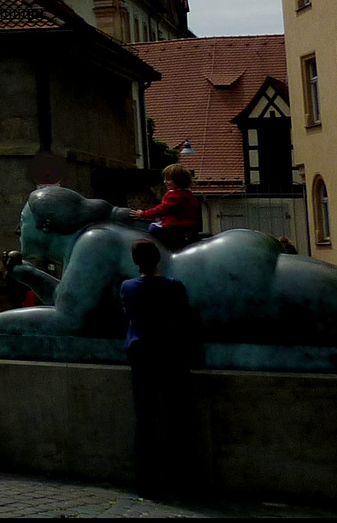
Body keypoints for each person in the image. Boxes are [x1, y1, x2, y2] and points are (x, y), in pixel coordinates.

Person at [119, 238, 201, 498]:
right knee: (179, 417)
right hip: (171, 356)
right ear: (159, 260)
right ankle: (183, 478)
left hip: (141, 356)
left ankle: (146, 481)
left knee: (144, 418)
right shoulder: (173, 286)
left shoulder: (128, 288)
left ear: (136, 262)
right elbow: (186, 319)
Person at [131, 163, 200, 250]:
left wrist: (143, 214)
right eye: (165, 179)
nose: (165, 182)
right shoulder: (187, 194)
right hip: (189, 227)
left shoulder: (176, 196)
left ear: (179, 181)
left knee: (153, 230)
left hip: (177, 227)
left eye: (168, 180)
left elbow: (162, 209)